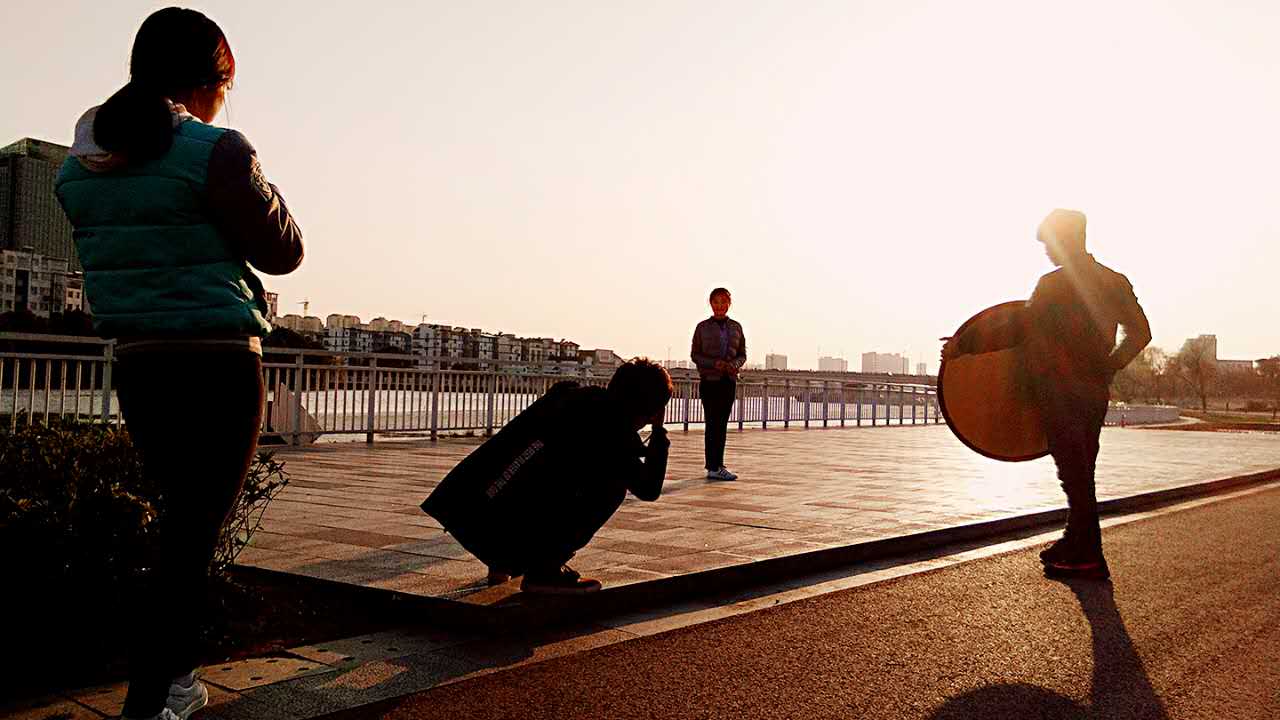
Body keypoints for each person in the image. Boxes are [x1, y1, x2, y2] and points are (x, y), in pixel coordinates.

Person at [55, 8, 304, 720]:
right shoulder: (216, 150)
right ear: (210, 81)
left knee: (181, 523)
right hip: (220, 364)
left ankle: (175, 679)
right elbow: (284, 250)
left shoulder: (79, 166)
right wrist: (255, 174)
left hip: (139, 362)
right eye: (227, 87)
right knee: (194, 535)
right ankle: (153, 699)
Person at [942, 209, 1150, 580]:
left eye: (1049, 245)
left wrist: (964, 346)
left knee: (1075, 473)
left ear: (1065, 240)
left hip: (1060, 390)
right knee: (1080, 470)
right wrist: (1110, 365)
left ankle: (1089, 555)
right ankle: (1076, 542)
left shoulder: (1053, 284)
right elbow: (1141, 333)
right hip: (1094, 392)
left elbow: (1019, 326)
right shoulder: (1114, 281)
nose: (1048, 253)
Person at [421, 358, 672, 594]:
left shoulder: (569, 396)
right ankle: (544, 569)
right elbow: (648, 489)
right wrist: (659, 435)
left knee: (554, 471)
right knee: (612, 486)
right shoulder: (612, 431)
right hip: (497, 521)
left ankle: (504, 561)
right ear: (650, 408)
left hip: (463, 505)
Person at [690, 287, 746, 481]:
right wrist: (714, 364)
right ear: (711, 304)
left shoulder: (736, 327)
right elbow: (695, 355)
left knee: (721, 424)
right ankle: (713, 466)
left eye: (723, 302)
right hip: (710, 381)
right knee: (712, 423)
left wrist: (734, 365)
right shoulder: (702, 327)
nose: (720, 306)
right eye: (716, 302)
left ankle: (717, 465)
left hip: (728, 381)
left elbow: (742, 354)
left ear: (729, 304)